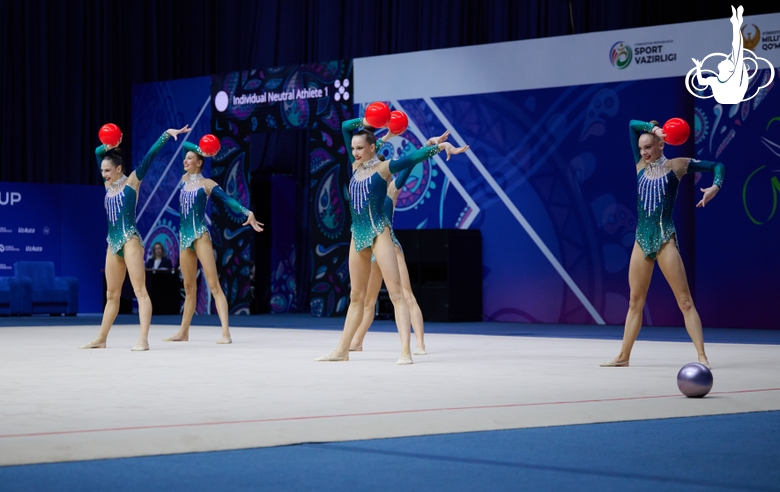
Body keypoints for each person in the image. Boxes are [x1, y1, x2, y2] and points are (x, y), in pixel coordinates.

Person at [315, 117, 468, 364]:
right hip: (358, 236)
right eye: (353, 148)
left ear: (372, 148)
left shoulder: (383, 170)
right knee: (357, 297)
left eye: (360, 148)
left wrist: (439, 147)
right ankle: (342, 351)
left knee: (396, 293)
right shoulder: (354, 167)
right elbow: (345, 127)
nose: (355, 152)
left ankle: (406, 351)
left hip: (379, 234)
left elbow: (411, 160)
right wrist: (366, 121)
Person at [600, 119, 724, 368]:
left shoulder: (676, 166)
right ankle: (623, 356)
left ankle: (702, 356)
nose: (644, 152)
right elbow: (632, 125)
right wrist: (654, 128)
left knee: (685, 301)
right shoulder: (639, 166)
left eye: (649, 147)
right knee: (635, 301)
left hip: (664, 238)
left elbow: (717, 165)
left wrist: (715, 187)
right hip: (641, 240)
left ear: (661, 144)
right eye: (642, 148)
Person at [80, 125, 191, 351]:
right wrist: (108, 145)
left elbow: (149, 157)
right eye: (102, 171)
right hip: (112, 243)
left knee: (140, 291)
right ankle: (101, 338)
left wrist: (165, 135)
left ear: (119, 168)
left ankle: (143, 339)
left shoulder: (132, 181)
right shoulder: (107, 185)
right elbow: (96, 152)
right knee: (112, 295)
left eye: (108, 171)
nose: (104, 174)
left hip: (130, 240)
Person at [349, 131, 451, 355]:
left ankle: (420, 344)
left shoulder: (392, 188)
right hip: (370, 245)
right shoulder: (364, 184)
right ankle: (356, 342)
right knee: (368, 300)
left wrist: (429, 145)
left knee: (405, 294)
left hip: (389, 245)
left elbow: (409, 164)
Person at [161, 139, 264, 344]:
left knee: (213, 285)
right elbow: (185, 146)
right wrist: (201, 150)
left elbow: (228, 200)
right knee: (189, 288)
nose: (186, 160)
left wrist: (247, 212)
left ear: (199, 163)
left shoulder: (207, 184)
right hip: (184, 238)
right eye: (186, 159)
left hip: (200, 236)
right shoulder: (183, 180)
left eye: (190, 159)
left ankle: (226, 333)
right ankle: (183, 332)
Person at [692, 6, 748, 104]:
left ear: (728, 69)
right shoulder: (714, 80)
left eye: (726, 61)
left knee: (737, 50)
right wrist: (698, 67)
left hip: (734, 96)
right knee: (737, 52)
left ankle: (736, 23)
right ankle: (736, 23)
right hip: (726, 97)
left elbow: (737, 47)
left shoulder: (734, 76)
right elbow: (701, 82)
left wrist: (736, 25)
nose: (724, 60)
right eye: (726, 60)